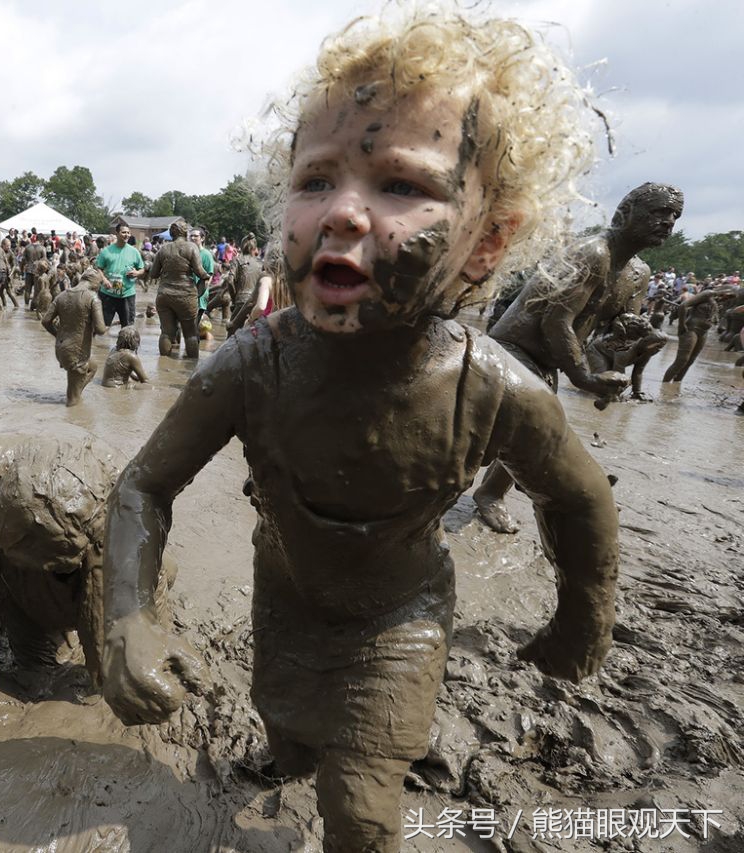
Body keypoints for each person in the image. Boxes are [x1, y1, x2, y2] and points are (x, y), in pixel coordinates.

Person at [97, 10, 619, 852]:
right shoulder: (248, 364)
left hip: (401, 610)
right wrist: (128, 614)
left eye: (402, 186)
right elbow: (144, 484)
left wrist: (581, 616)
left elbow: (580, 496)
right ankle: (288, 746)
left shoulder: (492, 389)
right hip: (288, 587)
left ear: (488, 241)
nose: (342, 212)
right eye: (315, 181)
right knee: (290, 727)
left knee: (362, 806)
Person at [472, 183, 683, 533]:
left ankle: (495, 492)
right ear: (626, 213)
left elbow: (611, 335)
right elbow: (556, 320)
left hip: (549, 360)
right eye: (660, 212)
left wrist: (629, 337)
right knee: (521, 425)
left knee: (528, 425)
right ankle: (536, 478)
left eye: (675, 216)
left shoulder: (639, 274)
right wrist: (584, 377)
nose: (669, 222)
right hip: (513, 348)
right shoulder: (592, 252)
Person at [0, 430, 123, 700]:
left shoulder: (115, 488)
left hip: (100, 547)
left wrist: (103, 677)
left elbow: (101, 597)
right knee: (34, 661)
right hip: (16, 573)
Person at [42, 269, 107, 406]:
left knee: (93, 367)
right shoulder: (93, 298)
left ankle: (74, 392)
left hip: (61, 347)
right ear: (95, 284)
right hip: (77, 352)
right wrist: (107, 327)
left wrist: (58, 334)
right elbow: (100, 329)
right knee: (73, 402)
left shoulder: (62, 295)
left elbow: (45, 321)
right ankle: (72, 413)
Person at [148, 219, 209, 358]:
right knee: (190, 333)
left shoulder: (163, 249)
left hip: (164, 295)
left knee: (166, 332)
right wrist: (206, 278)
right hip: (186, 295)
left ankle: (162, 367)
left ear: (171, 233)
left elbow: (153, 274)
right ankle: (192, 365)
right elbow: (200, 272)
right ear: (186, 232)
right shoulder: (191, 247)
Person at [661, 284, 734, 383]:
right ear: (725, 290)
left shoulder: (718, 302)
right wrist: (681, 325)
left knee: (691, 360)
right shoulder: (708, 294)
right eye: (728, 295)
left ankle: (676, 384)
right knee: (682, 360)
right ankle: (664, 385)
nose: (727, 299)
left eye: (730, 298)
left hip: (704, 332)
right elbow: (683, 305)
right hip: (691, 329)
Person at [94, 222, 144, 327]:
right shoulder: (106, 251)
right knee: (102, 326)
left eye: (128, 232)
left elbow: (142, 269)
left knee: (128, 327)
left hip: (127, 294)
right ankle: (100, 344)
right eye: (123, 232)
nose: (126, 235)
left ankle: (123, 344)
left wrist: (137, 273)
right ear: (117, 233)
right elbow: (98, 268)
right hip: (108, 293)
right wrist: (104, 280)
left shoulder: (134, 252)